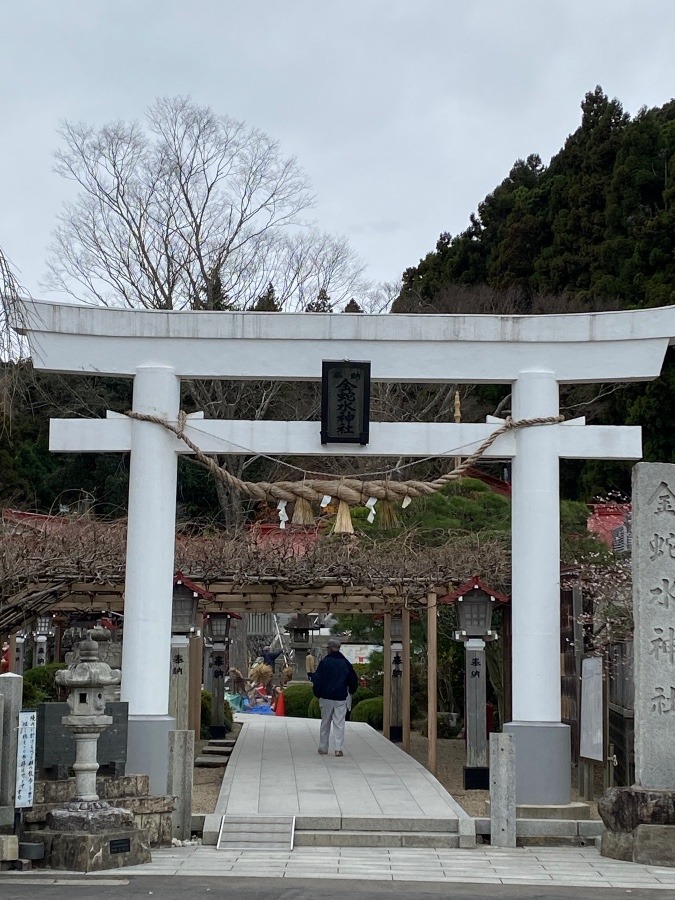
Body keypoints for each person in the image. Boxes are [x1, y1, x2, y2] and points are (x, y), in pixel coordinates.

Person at [312, 637, 358, 757]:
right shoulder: (345, 663)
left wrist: (317, 693)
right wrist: (351, 691)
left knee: (325, 722)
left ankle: (323, 747)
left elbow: (317, 679)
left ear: (330, 649)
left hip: (326, 696)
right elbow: (353, 680)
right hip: (341, 697)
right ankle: (338, 748)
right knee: (339, 723)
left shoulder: (324, 662)